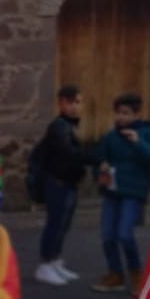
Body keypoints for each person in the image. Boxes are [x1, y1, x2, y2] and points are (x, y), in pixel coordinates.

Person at [91, 93, 150, 294]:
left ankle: (136, 272)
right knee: (107, 235)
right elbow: (99, 159)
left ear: (137, 114)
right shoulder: (111, 136)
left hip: (133, 192)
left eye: (125, 113)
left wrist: (138, 143)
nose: (120, 117)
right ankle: (115, 274)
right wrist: (101, 168)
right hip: (112, 191)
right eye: (118, 113)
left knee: (124, 234)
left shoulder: (148, 133)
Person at [35, 84, 95, 285]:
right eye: (70, 102)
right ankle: (45, 264)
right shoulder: (59, 127)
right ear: (61, 103)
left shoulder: (70, 125)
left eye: (78, 102)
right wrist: (94, 157)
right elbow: (69, 153)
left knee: (63, 224)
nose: (75, 107)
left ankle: (55, 260)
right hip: (57, 183)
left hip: (68, 183)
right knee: (55, 224)